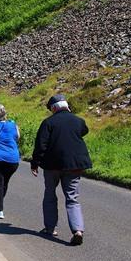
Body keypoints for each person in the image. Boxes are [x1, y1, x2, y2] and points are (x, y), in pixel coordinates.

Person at [31, 94, 92, 246]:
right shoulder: (78, 121)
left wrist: (35, 163)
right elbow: (84, 131)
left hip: (52, 165)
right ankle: (77, 230)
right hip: (74, 165)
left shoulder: (48, 122)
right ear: (66, 106)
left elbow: (41, 145)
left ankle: (50, 228)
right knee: (72, 198)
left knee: (50, 195)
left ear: (53, 108)